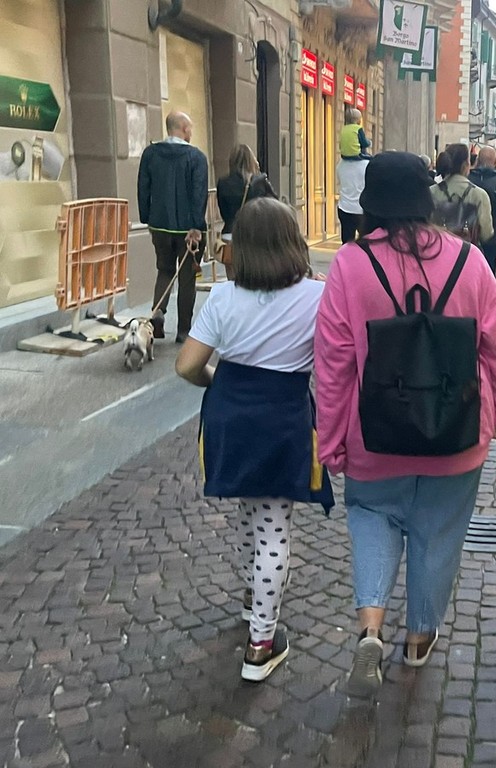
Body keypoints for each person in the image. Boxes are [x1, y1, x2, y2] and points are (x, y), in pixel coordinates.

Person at [314, 152, 496, 697]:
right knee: (438, 535)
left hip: (374, 432)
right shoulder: (470, 261)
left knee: (371, 518)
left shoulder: (349, 265)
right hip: (457, 432)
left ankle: (370, 626)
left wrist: (330, 440)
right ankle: (417, 638)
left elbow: (333, 365)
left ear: (371, 206)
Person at [175, 197, 334, 682]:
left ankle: (252, 599)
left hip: (231, 414)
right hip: (283, 416)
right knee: (273, 525)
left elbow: (186, 365)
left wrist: (217, 382)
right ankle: (261, 643)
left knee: (249, 509)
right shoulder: (317, 296)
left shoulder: (223, 298)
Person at [138, 111, 208, 342]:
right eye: (190, 128)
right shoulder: (196, 158)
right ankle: (183, 330)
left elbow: (143, 188)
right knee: (187, 279)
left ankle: (158, 312)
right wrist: (196, 226)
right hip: (188, 230)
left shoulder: (150, 154)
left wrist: (147, 217)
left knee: (165, 270)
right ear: (185, 129)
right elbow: (199, 194)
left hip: (160, 225)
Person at [216, 144, 276, 279]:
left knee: (232, 280)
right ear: (251, 160)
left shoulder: (223, 183)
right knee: (254, 278)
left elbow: (223, 211)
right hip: (255, 235)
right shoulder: (260, 182)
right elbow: (274, 209)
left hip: (230, 234)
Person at [430, 143, 494, 247]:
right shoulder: (479, 195)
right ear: (465, 165)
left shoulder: (431, 192)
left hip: (438, 249)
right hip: (468, 252)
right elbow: (486, 234)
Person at [469, 146, 496, 273]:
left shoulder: (468, 178)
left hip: (468, 234)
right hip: (492, 235)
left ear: (478, 160)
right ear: (495, 162)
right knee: (488, 272)